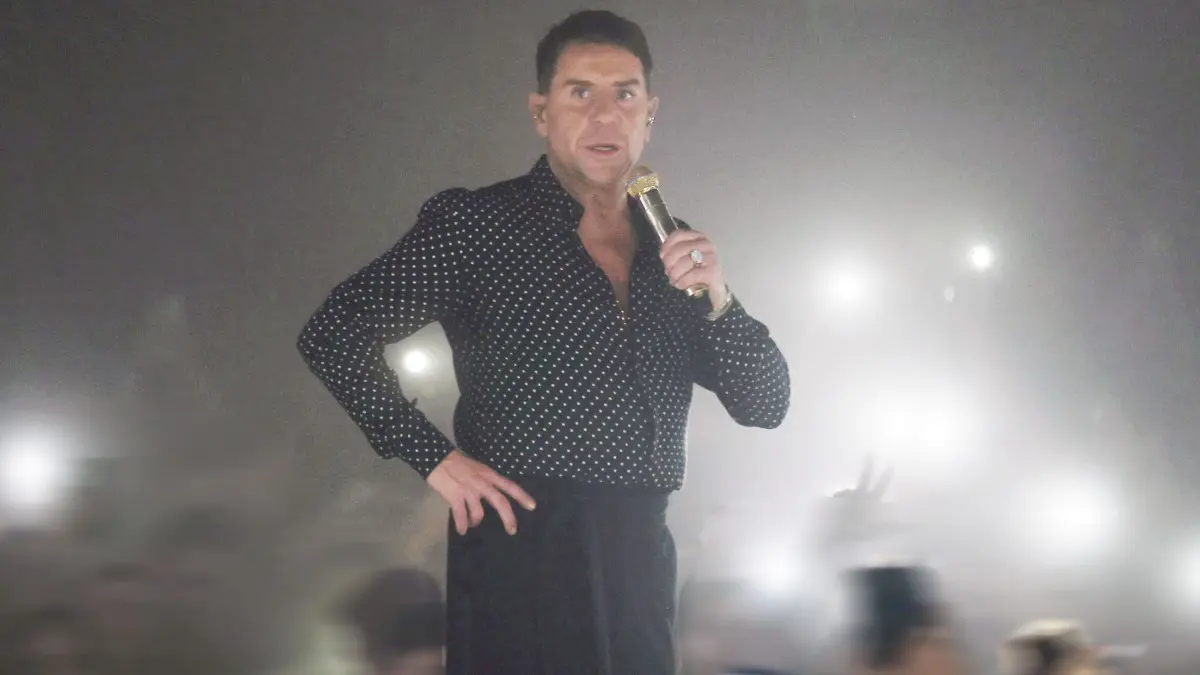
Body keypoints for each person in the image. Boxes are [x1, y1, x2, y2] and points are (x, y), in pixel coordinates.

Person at [297, 9, 790, 674]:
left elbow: (765, 404)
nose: (605, 115)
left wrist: (721, 300)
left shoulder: (674, 249)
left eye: (625, 94)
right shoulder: (479, 225)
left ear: (650, 113)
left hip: (639, 559)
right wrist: (434, 458)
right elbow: (334, 332)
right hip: (521, 551)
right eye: (580, 93)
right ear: (541, 113)